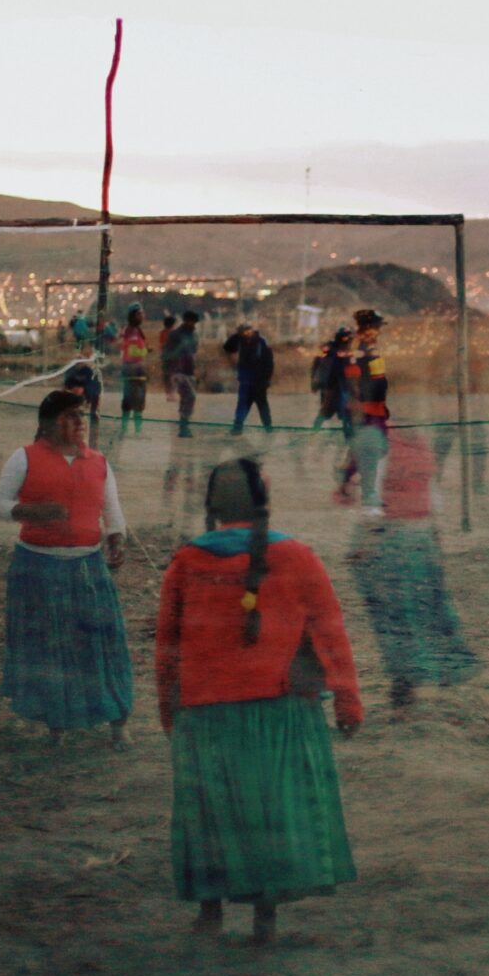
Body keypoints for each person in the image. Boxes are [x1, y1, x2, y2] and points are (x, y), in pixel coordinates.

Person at [156, 457, 362, 944]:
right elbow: (331, 632)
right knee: (266, 811)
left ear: (213, 506)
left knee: (211, 812)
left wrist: (169, 709)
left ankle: (210, 914)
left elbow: (167, 645)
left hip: (205, 713)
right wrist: (347, 701)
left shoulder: (187, 562)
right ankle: (264, 920)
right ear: (263, 503)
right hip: (278, 710)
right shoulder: (296, 556)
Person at [0, 390, 134, 746]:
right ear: (50, 423)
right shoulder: (23, 459)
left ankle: (118, 723)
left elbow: (111, 508)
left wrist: (116, 538)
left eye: (82, 416)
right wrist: (32, 512)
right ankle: (56, 726)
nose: (80, 423)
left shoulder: (99, 462)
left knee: (101, 642)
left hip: (87, 566)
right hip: (37, 566)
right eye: (71, 416)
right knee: (50, 647)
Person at [347, 428, 480, 712]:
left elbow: (393, 497)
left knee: (412, 611)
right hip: (407, 537)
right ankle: (422, 680)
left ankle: (420, 681)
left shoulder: (398, 440)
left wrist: (365, 544)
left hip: (406, 536)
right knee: (415, 610)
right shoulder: (399, 441)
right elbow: (382, 495)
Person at [339, 310, 389, 514]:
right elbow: (353, 379)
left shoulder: (368, 348)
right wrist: (359, 404)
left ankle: (346, 476)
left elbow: (379, 379)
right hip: (365, 408)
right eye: (376, 327)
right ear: (367, 328)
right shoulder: (358, 349)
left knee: (368, 448)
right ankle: (368, 494)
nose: (378, 331)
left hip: (374, 407)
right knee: (371, 449)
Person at [223, 322, 275, 435]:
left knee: (262, 405)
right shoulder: (241, 341)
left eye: (248, 331)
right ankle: (237, 427)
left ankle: (268, 427)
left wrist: (266, 380)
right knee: (242, 404)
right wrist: (236, 336)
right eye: (244, 332)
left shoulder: (262, 343)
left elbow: (269, 363)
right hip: (245, 380)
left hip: (259, 381)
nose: (247, 334)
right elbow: (228, 347)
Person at [161, 310, 200, 438]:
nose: (193, 324)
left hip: (189, 370)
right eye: (192, 322)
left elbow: (194, 352)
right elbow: (167, 354)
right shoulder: (176, 335)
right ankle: (183, 426)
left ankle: (184, 426)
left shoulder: (193, 335)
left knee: (187, 398)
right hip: (178, 371)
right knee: (190, 396)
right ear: (186, 321)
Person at [309, 326, 354, 437]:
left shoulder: (347, 351)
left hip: (344, 386)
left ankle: (349, 435)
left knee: (346, 413)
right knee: (326, 411)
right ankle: (314, 432)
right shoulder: (331, 350)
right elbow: (320, 366)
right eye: (344, 337)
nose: (347, 339)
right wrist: (315, 383)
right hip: (332, 386)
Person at [117, 305, 149, 436]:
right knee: (133, 399)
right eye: (139, 314)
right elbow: (132, 351)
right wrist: (146, 351)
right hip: (133, 368)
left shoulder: (135, 330)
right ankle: (133, 430)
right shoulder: (132, 331)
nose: (142, 316)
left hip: (135, 368)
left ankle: (133, 430)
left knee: (136, 399)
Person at [158, 314, 178, 401]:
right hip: (174, 357)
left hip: (165, 357)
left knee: (166, 376)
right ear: (173, 324)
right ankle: (172, 394)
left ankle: (168, 394)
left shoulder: (162, 333)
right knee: (172, 376)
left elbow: (161, 345)